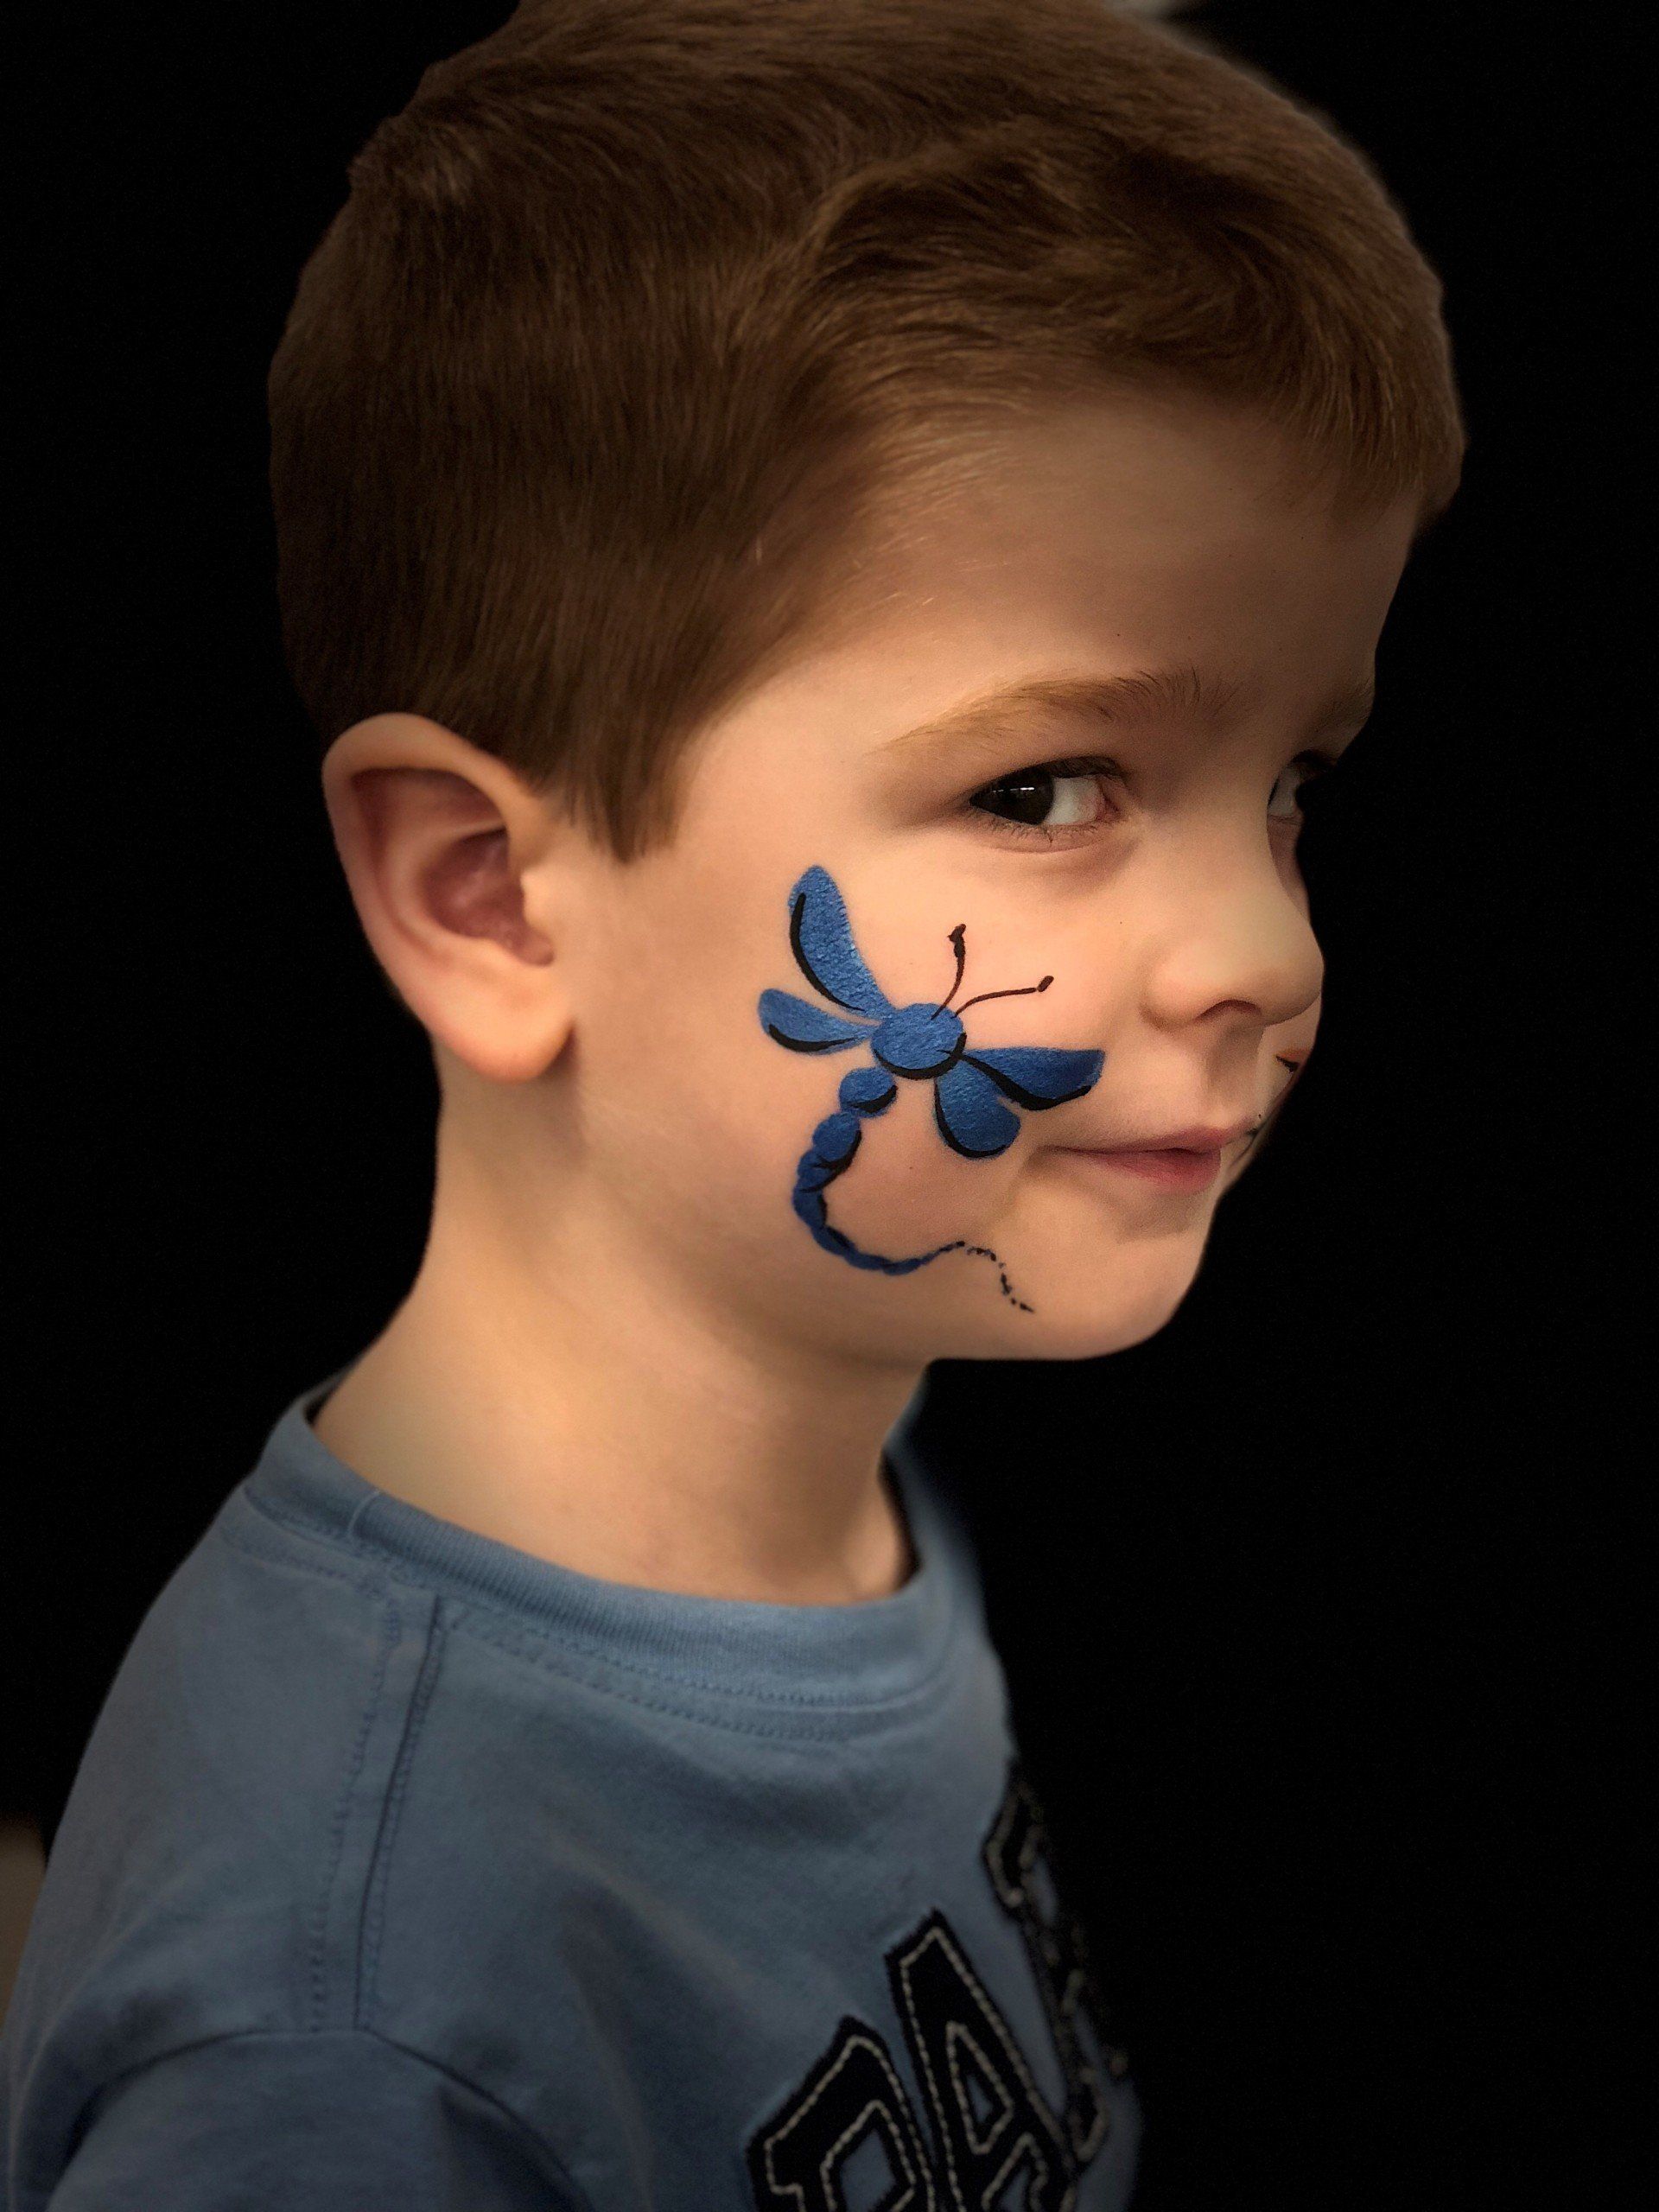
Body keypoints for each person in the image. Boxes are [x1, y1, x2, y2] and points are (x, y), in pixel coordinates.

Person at [1, 2, 1464, 2204]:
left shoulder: (837, 1480)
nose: (1268, 946)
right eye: (1047, 786)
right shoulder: (351, 2018)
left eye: (1292, 785)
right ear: (491, 897)